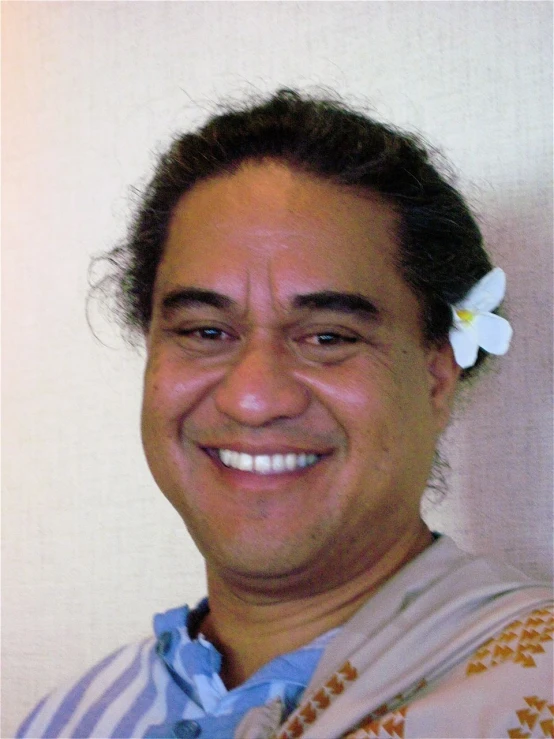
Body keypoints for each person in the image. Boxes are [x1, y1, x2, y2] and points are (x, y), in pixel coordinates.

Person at [18, 89, 552, 739]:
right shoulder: (69, 720)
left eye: (328, 337)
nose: (254, 396)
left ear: (437, 377)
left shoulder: (528, 687)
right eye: (205, 331)